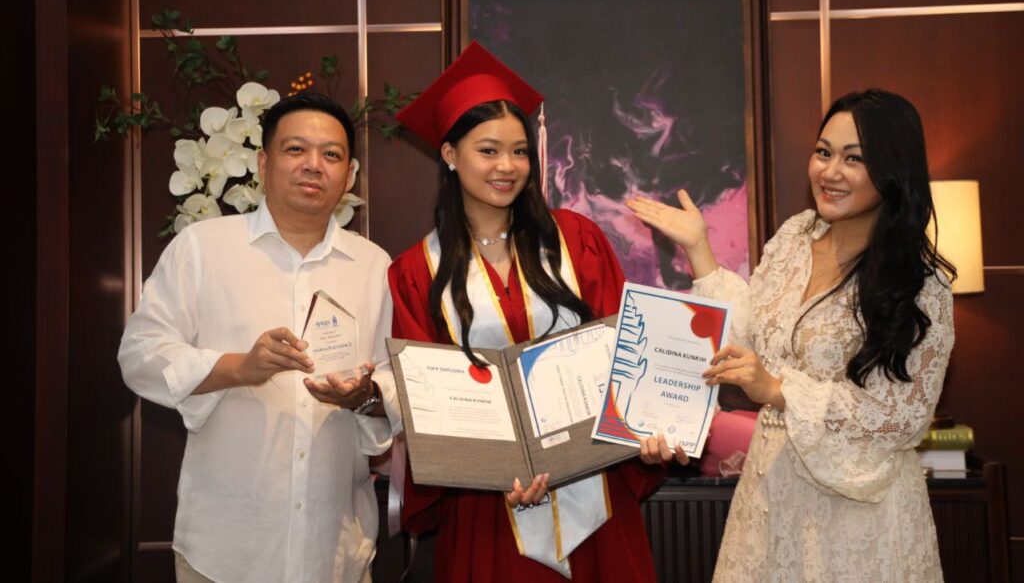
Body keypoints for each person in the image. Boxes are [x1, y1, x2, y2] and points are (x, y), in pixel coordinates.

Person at [627, 89, 956, 581]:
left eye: (854, 159)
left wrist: (780, 391)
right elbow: (751, 338)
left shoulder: (921, 284)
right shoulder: (794, 238)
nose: (830, 171)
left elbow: (902, 418)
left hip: (859, 519)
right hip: (770, 497)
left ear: (893, 171)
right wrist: (699, 249)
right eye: (823, 152)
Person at [389, 41, 675, 582]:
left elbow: (626, 352)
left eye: (520, 151)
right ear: (449, 154)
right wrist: (491, 470)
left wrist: (651, 424)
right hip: (487, 506)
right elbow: (421, 400)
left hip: (594, 495)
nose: (508, 166)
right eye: (488, 150)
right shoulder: (416, 271)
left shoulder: (575, 240)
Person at [118, 92, 401, 583]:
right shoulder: (203, 248)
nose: (313, 165)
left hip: (335, 549)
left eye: (331, 154)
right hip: (225, 549)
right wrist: (238, 368)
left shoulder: (375, 267)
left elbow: (397, 379)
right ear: (263, 164)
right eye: (296, 149)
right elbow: (140, 355)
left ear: (350, 175)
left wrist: (365, 396)